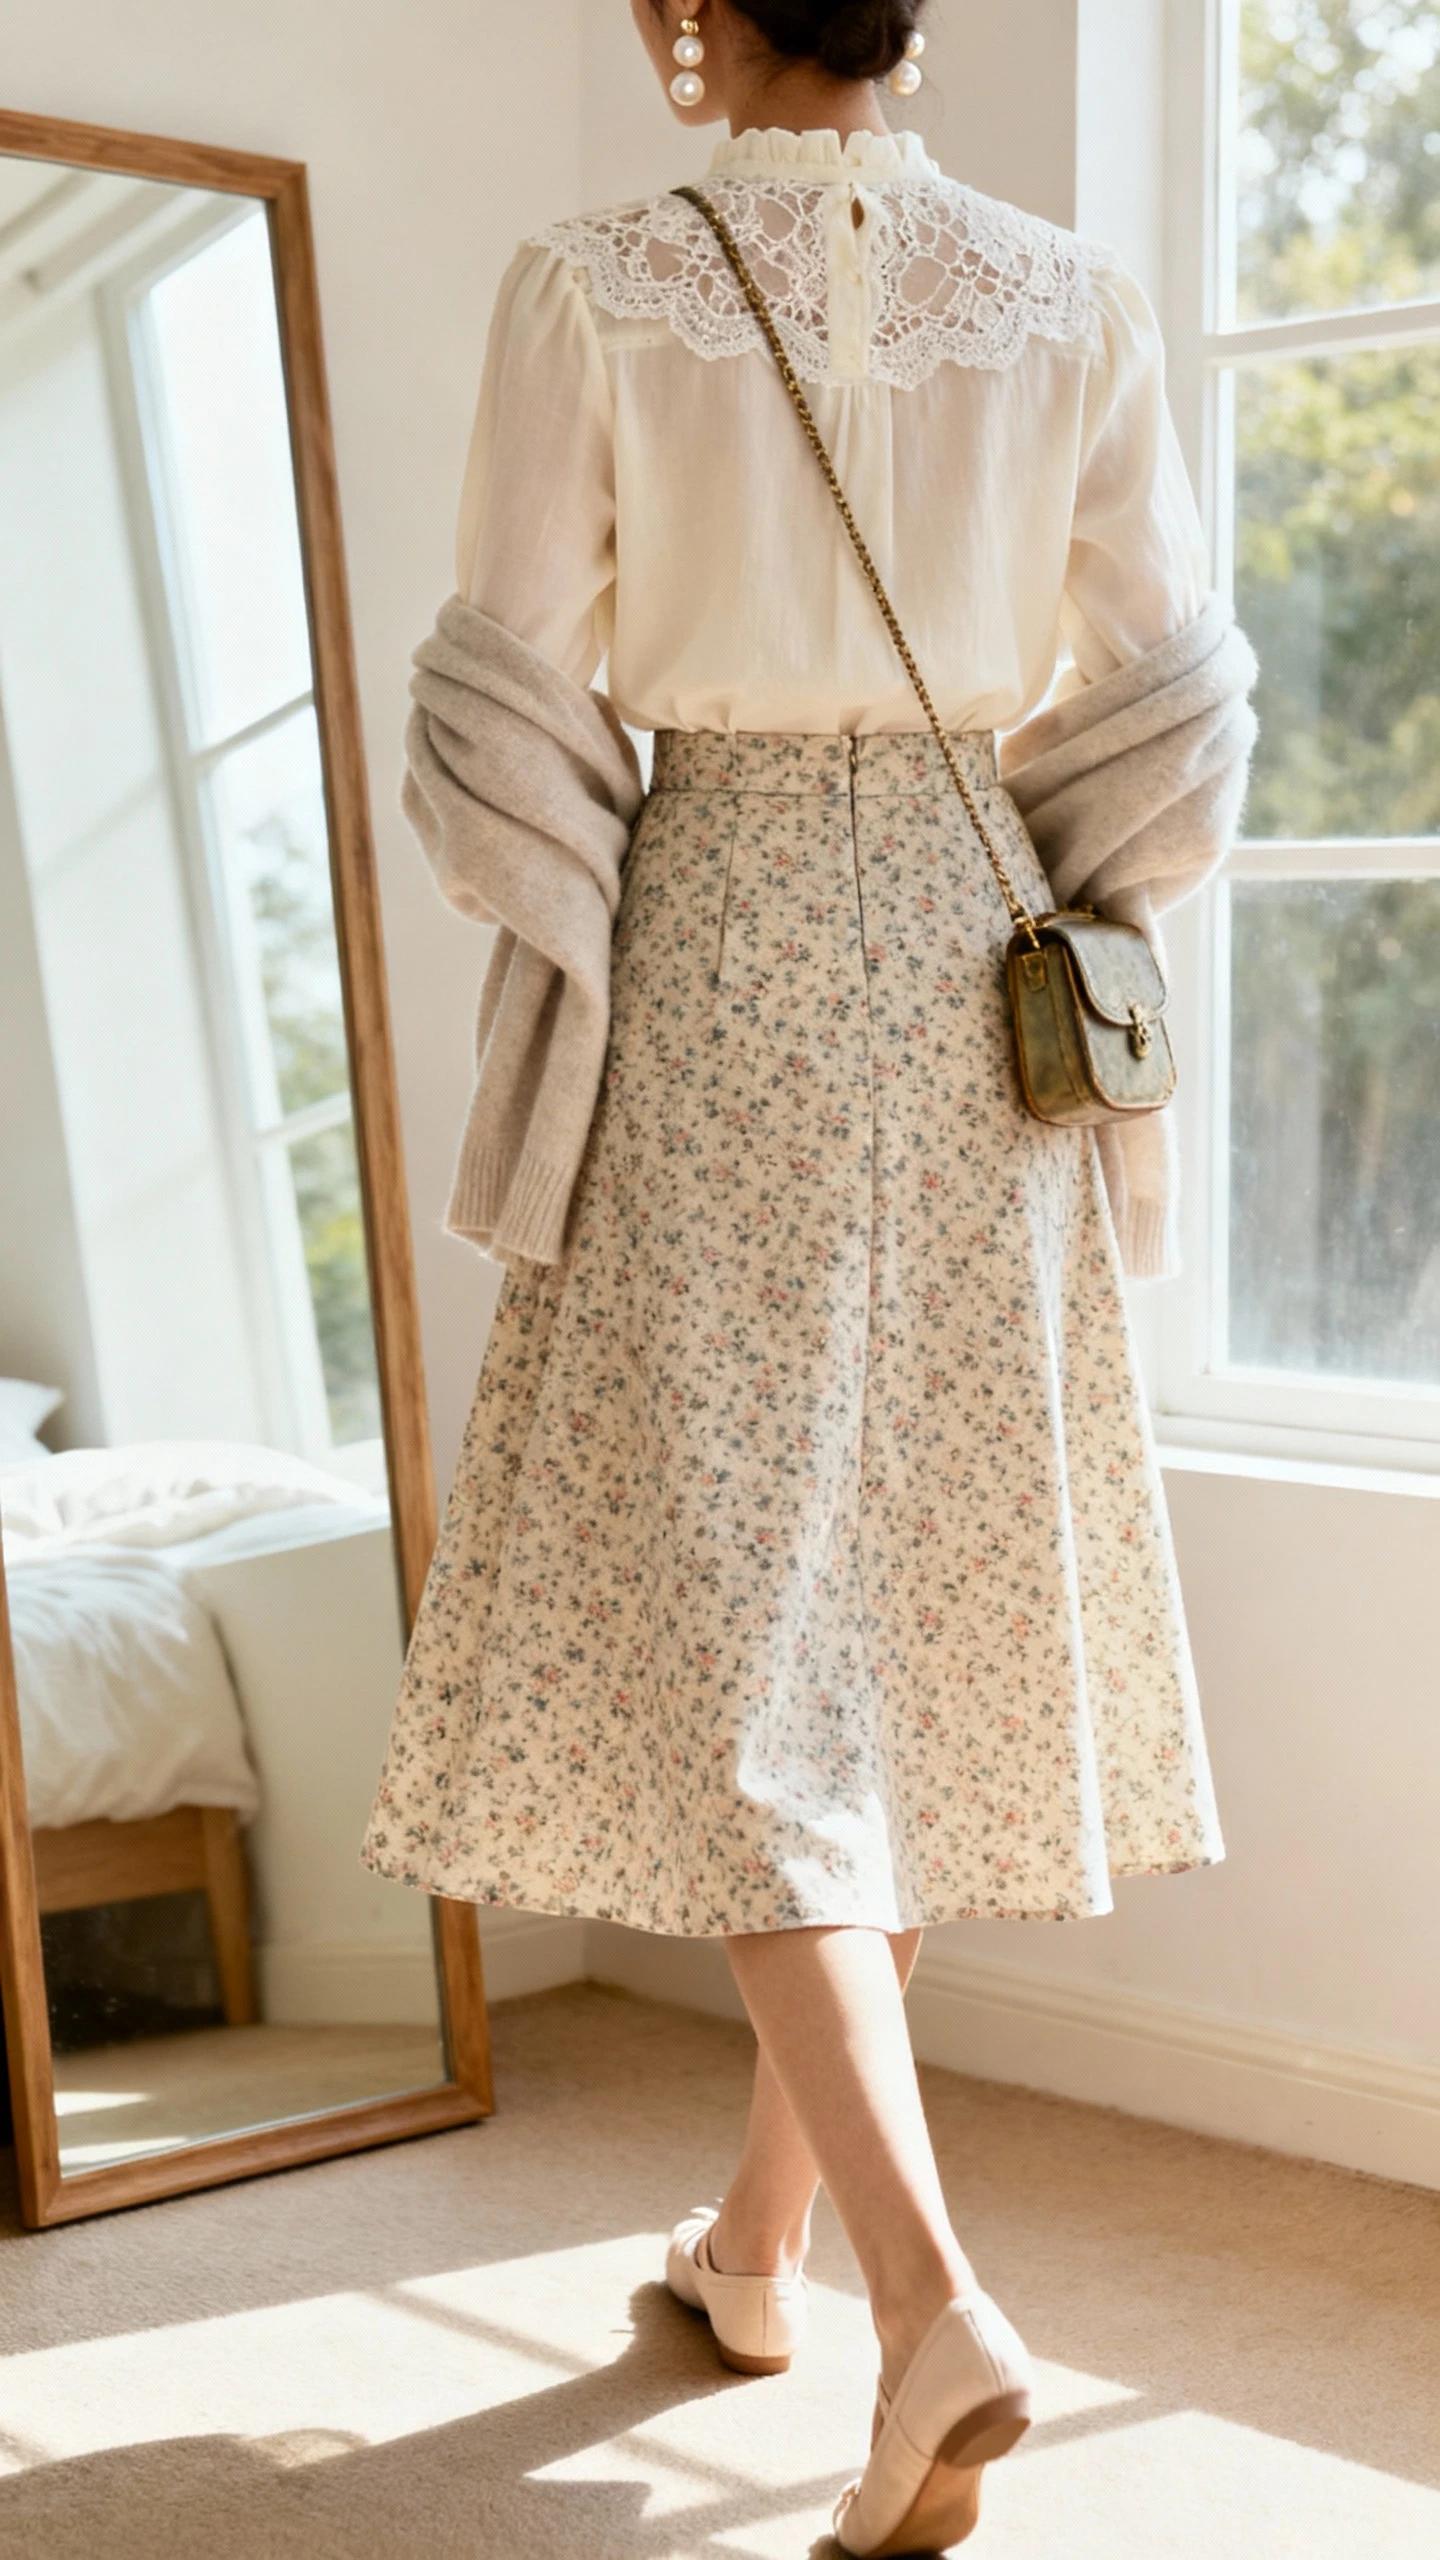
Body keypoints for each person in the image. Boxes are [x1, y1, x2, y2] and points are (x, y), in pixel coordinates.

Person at [364, 4, 1256, 2548]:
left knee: (753, 1640)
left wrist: (576, 906)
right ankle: (753, 2250)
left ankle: (925, 2290)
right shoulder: (1070, 295)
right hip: (983, 980)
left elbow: (503, 703)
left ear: (685, 17)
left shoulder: (592, 281)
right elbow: (1183, 692)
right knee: (866, 1615)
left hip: (725, 952)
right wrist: (1044, 857)